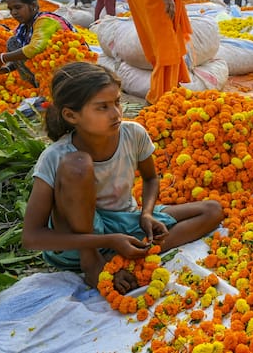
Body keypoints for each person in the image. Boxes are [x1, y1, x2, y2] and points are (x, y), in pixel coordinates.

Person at [22, 62, 223, 290]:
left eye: (117, 102)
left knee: (212, 210)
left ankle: (123, 254)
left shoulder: (133, 134)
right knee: (79, 163)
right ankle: (93, 263)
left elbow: (150, 179)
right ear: (71, 115)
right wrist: (107, 241)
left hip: (123, 223)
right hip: (77, 244)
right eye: (102, 107)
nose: (116, 113)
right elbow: (32, 237)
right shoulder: (56, 156)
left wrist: (146, 214)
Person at [0, 0, 77, 87]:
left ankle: (48, 86)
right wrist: (7, 68)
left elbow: (34, 49)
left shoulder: (46, 21)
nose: (14, 13)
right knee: (13, 42)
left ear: (33, 6)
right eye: (11, 9)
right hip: (49, 68)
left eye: (17, 7)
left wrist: (2, 58)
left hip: (70, 70)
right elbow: (24, 55)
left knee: (14, 44)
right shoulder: (23, 27)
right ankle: (37, 84)